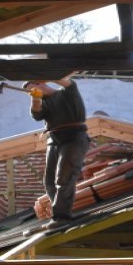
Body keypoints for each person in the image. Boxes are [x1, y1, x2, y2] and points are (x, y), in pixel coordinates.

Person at [26, 76, 89, 229]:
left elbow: (67, 82)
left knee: (64, 177)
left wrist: (49, 75)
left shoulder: (67, 92)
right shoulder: (43, 102)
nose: (32, 91)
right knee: (49, 181)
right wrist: (35, 99)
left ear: (42, 83)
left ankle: (61, 216)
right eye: (29, 91)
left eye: (34, 87)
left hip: (73, 136)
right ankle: (60, 213)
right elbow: (36, 115)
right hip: (54, 139)